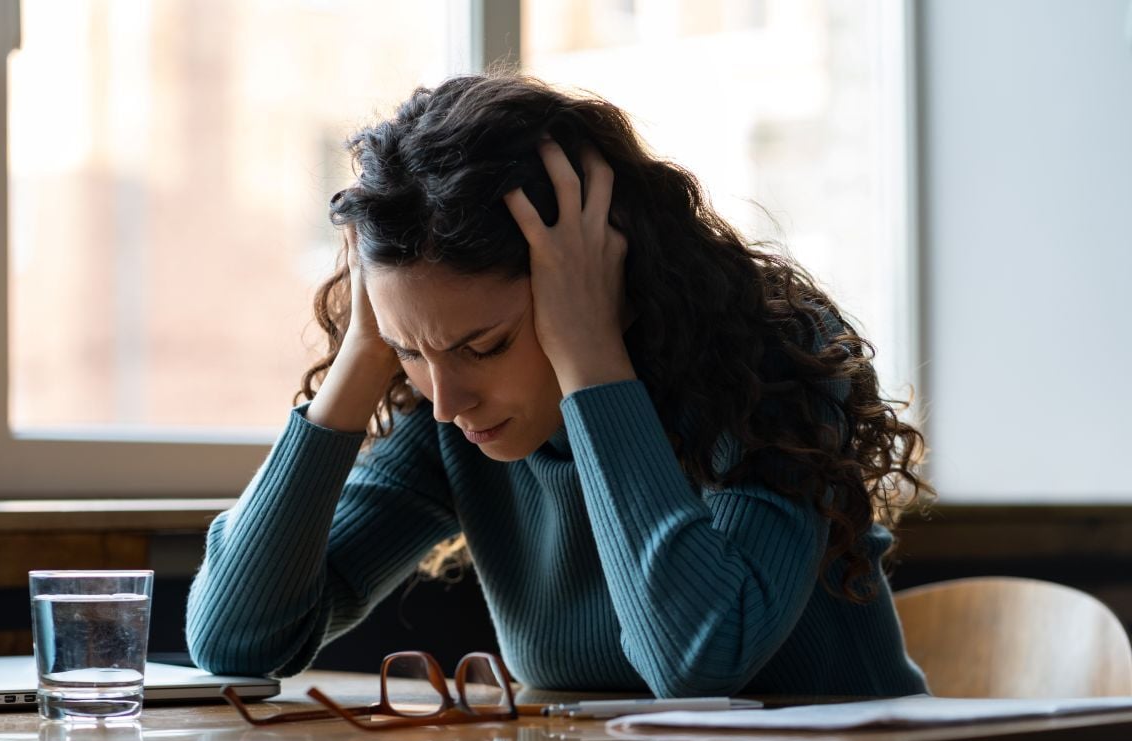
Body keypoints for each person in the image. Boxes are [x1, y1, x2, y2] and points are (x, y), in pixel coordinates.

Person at [185, 74, 931, 698]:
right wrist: (362, 357)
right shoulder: (448, 414)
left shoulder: (768, 362)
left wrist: (589, 357)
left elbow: (696, 661)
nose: (447, 401)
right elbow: (235, 641)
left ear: (598, 283)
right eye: (411, 351)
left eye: (486, 345)